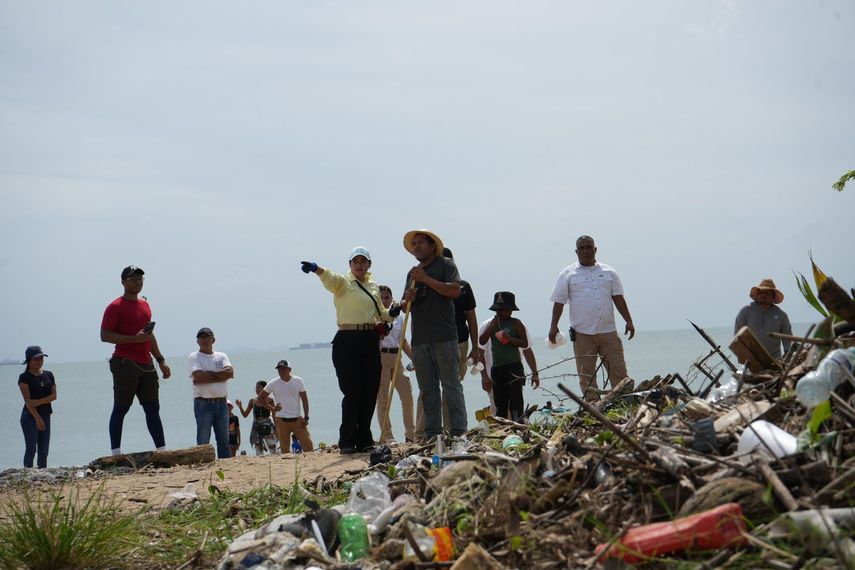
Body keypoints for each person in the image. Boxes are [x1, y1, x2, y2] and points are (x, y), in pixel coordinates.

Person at [300, 247, 395, 453]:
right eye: (355, 261)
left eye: (363, 261)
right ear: (350, 265)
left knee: (370, 391)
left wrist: (394, 311)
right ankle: (346, 440)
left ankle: (364, 440)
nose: (359, 265)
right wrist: (317, 269)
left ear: (369, 264)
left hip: (370, 339)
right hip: (347, 340)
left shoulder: (373, 286)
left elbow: (383, 314)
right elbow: (330, 278)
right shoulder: (343, 283)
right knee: (352, 392)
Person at [548, 236, 635, 402]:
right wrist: (554, 326)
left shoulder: (609, 272)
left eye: (589, 247)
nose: (586, 251)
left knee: (619, 372)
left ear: (595, 249)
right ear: (576, 251)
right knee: (586, 375)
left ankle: (624, 402)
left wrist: (629, 321)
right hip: (582, 333)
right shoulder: (568, 274)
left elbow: (618, 298)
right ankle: (594, 408)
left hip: (608, 331)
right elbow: (559, 301)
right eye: (582, 248)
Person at [401, 229, 467, 440]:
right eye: (414, 244)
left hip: (444, 336)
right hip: (420, 339)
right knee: (427, 389)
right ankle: (432, 434)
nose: (417, 246)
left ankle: (458, 432)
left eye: (421, 242)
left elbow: (455, 291)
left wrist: (426, 279)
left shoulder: (446, 265)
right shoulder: (412, 273)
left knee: (451, 385)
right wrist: (406, 299)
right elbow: (404, 306)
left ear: (432, 246)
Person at [100, 265, 171, 456]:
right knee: (122, 408)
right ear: (123, 282)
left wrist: (161, 360)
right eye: (133, 279)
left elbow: (149, 335)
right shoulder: (115, 307)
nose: (138, 282)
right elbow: (104, 335)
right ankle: (116, 453)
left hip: (146, 363)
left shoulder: (145, 305)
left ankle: (162, 451)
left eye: (141, 278)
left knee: (152, 408)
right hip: (125, 363)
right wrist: (134, 339)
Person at [478, 292, 540, 420]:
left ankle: (518, 425)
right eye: (498, 310)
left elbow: (525, 344)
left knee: (516, 401)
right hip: (496, 369)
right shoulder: (489, 324)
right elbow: (481, 343)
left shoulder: (516, 323)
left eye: (505, 310)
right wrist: (491, 328)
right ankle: (502, 427)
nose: (501, 313)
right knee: (500, 403)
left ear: (511, 310)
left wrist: (535, 373)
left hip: (514, 367)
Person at [376, 285, 416, 444]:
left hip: (397, 357)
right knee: (383, 399)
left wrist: (415, 358)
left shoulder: (399, 316)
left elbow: (402, 340)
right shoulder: (376, 314)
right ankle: (388, 436)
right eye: (381, 298)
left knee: (407, 395)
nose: (385, 301)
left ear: (391, 298)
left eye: (387, 297)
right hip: (381, 358)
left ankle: (411, 435)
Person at [187, 327, 234, 459]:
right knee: (203, 439)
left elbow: (230, 373)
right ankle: (203, 463)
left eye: (207, 337)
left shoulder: (222, 356)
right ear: (197, 341)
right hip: (203, 403)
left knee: (224, 439)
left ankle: (226, 464)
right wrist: (221, 376)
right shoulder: (194, 357)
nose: (205, 340)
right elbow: (198, 375)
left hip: (222, 402)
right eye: (202, 337)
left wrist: (208, 375)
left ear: (213, 340)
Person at [258, 360, 314, 454]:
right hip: (281, 420)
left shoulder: (298, 380)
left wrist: (306, 417)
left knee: (309, 447)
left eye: (283, 368)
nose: (281, 371)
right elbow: (260, 397)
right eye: (279, 369)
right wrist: (272, 408)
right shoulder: (274, 383)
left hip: (297, 419)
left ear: (289, 369)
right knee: (285, 451)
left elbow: (304, 399)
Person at [734, 278, 793, 359]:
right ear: (757, 294)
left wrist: (788, 356)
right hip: (750, 359)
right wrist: (741, 355)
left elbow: (787, 339)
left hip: (774, 360)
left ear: (773, 297)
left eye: (768, 293)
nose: (764, 295)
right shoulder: (746, 311)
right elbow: (737, 336)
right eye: (761, 292)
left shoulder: (781, 315)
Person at [18, 346, 57, 468]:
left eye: (41, 358)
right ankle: (27, 475)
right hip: (30, 417)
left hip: (46, 415)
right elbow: (28, 402)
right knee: (31, 449)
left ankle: (42, 474)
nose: (39, 361)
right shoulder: (24, 377)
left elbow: (54, 396)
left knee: (44, 451)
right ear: (29, 360)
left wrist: (40, 401)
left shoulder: (49, 375)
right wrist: (37, 419)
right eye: (36, 359)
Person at [236, 381, 279, 455]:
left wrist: (277, 428)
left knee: (272, 448)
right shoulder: (252, 401)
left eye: (259, 387)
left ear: (264, 389)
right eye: (256, 388)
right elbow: (245, 415)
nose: (257, 389)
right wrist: (240, 407)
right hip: (256, 427)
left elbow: (274, 414)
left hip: (268, 426)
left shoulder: (270, 400)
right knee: (258, 450)